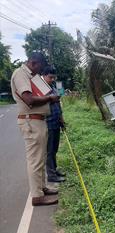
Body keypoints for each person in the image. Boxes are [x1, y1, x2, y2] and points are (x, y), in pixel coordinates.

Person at [11, 52, 60, 206]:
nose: (40, 71)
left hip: (38, 121)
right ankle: (37, 196)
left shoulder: (31, 76)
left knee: (41, 157)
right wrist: (50, 98)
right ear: (33, 62)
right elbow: (29, 99)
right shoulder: (20, 74)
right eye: (39, 67)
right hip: (31, 122)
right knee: (35, 160)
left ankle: (41, 188)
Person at [41, 66, 66, 183]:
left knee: (54, 149)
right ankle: (51, 175)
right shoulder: (40, 90)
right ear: (44, 76)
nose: (52, 79)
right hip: (48, 124)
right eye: (50, 77)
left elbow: (58, 106)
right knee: (49, 151)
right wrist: (50, 98)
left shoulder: (53, 88)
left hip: (56, 122)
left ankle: (54, 170)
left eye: (53, 78)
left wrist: (62, 120)